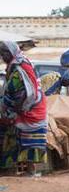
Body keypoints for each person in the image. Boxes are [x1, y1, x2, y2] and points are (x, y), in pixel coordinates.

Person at [0, 41, 47, 176]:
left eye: (5, 53)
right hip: (22, 108)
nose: (3, 56)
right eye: (1, 53)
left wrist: (13, 109)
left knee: (24, 140)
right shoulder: (15, 66)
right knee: (11, 136)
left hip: (30, 109)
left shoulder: (20, 68)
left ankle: (28, 170)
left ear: (12, 52)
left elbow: (24, 93)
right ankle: (10, 169)